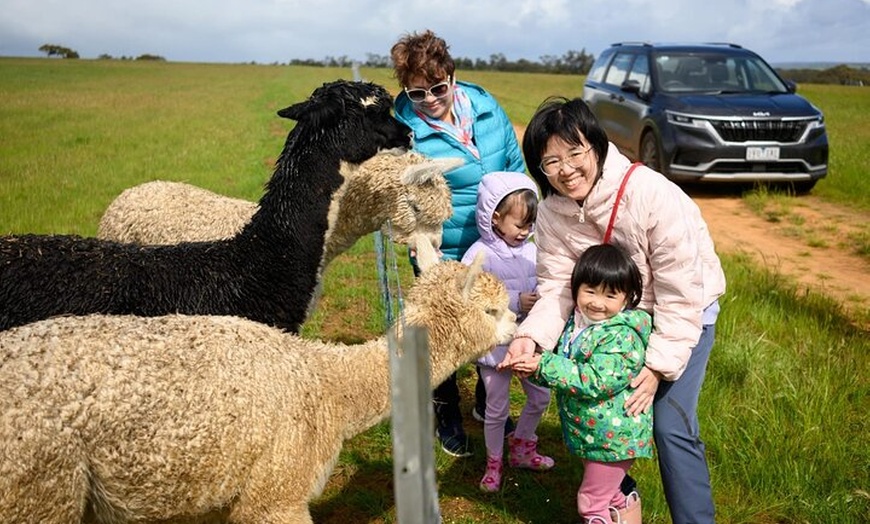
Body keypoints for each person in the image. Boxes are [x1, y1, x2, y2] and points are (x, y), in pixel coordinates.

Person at [498, 97, 726, 524]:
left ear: (597, 146)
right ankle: (620, 506)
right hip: (611, 322)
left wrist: (658, 366)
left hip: (682, 315)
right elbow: (557, 291)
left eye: (575, 152)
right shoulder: (551, 214)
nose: (566, 169)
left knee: (668, 426)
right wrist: (530, 337)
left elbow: (681, 291)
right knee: (603, 415)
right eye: (551, 161)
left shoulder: (652, 195)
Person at [390, 29, 526, 458]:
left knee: (493, 325)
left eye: (437, 88)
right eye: (416, 93)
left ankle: (490, 405)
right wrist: (417, 241)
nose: (429, 99)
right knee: (444, 333)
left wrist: (522, 223)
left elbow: (516, 166)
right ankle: (446, 413)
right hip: (444, 253)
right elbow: (400, 194)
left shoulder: (487, 109)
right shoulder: (403, 131)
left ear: (452, 75)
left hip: (499, 245)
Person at [511, 243, 652, 524]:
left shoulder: (621, 336)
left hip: (613, 441)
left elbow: (594, 380)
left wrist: (544, 365)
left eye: (610, 295)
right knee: (611, 494)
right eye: (590, 291)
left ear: (627, 298)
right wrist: (534, 368)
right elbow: (566, 368)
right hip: (594, 436)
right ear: (576, 287)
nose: (597, 302)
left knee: (591, 503)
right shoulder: (579, 324)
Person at [460, 171, 553, 492]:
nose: (526, 232)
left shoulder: (533, 250)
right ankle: (494, 462)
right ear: (495, 218)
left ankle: (523, 446)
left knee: (540, 397)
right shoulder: (477, 255)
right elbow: (469, 298)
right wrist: (515, 300)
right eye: (519, 225)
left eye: (531, 226)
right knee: (495, 410)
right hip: (496, 347)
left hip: (529, 343)